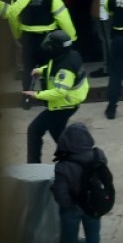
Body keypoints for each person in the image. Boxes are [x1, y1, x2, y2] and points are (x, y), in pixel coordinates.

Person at [4, 0, 77, 109]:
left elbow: (13, 17)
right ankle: (47, 98)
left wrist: (18, 35)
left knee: (28, 69)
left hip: (27, 39)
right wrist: (71, 37)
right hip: (48, 40)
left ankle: (26, 99)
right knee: (48, 69)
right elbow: (63, 19)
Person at [24, 30, 89, 163]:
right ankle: (75, 160)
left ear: (57, 49)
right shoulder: (70, 55)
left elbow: (60, 92)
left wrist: (37, 95)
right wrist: (41, 71)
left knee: (34, 130)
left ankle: (33, 166)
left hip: (64, 104)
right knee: (58, 133)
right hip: (66, 103)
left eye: (50, 46)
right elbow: (54, 68)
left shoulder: (66, 69)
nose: (47, 48)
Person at [52, 122, 104, 243]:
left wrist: (69, 205)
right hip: (93, 203)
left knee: (69, 238)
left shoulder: (62, 166)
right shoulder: (98, 155)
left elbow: (61, 193)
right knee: (93, 235)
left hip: (72, 208)